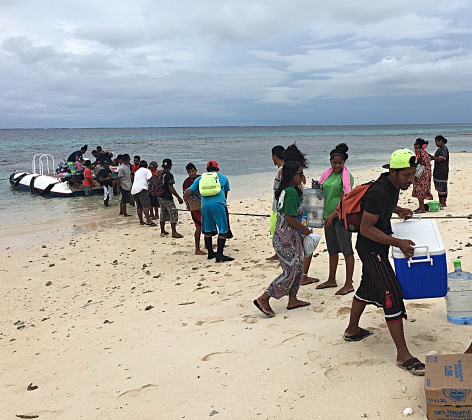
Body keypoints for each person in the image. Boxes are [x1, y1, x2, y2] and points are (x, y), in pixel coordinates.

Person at [343, 149, 425, 376]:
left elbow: (381, 209)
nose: (410, 180)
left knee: (367, 288)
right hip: (371, 250)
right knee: (392, 292)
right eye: (406, 175)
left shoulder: (391, 186)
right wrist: (397, 242)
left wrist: (398, 210)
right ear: (393, 171)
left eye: (412, 174)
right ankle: (403, 354)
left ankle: (352, 330)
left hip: (378, 248)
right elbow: (366, 228)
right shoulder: (379, 191)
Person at [253, 161, 311, 317]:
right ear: (292, 176)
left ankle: (293, 299)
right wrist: (305, 229)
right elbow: (290, 217)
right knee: (290, 271)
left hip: (283, 235)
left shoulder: (285, 190)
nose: (302, 177)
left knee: (298, 267)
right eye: (300, 174)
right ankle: (264, 298)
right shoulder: (291, 193)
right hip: (287, 237)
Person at [315, 143, 355, 295]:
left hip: (341, 217)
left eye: (340, 163)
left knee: (346, 250)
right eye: (334, 162)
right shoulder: (327, 175)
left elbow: (345, 198)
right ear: (330, 162)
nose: (337, 165)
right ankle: (331, 279)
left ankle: (348, 283)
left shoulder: (346, 177)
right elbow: (322, 194)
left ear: (344, 163)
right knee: (332, 249)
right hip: (327, 217)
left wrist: (333, 216)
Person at [184, 160, 234, 262]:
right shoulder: (223, 178)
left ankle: (211, 253)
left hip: (204, 206)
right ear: (217, 169)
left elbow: (188, 192)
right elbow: (225, 195)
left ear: (206, 169)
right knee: (223, 230)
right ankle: (219, 255)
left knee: (207, 230)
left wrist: (187, 202)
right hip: (218, 204)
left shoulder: (200, 179)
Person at [283, 143, 319, 285]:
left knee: (302, 247)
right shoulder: (290, 178)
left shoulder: (287, 173)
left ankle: (301, 276)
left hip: (297, 213)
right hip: (298, 215)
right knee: (307, 244)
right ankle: (302, 276)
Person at [266, 145, 285, 262]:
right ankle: (278, 252)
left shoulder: (282, 170)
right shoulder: (281, 169)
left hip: (279, 205)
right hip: (277, 204)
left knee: (276, 229)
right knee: (276, 229)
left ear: (274, 156)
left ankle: (279, 253)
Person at [182, 163, 205, 255]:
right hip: (194, 208)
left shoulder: (201, 179)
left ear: (196, 170)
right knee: (198, 227)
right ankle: (197, 249)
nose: (191, 173)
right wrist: (187, 205)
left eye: (192, 171)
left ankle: (207, 244)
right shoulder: (186, 182)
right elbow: (185, 196)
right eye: (189, 172)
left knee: (207, 226)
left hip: (204, 206)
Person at [158, 158, 184, 238]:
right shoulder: (169, 175)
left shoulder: (160, 173)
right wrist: (178, 197)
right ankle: (174, 232)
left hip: (160, 196)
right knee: (173, 213)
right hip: (167, 197)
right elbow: (170, 187)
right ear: (170, 166)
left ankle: (162, 230)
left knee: (163, 212)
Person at [131, 160, 155, 226]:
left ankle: (141, 221)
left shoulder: (137, 171)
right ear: (146, 166)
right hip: (142, 189)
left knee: (139, 207)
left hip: (134, 190)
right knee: (145, 205)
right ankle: (148, 221)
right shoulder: (147, 171)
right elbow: (149, 179)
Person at [412, 138, 433, 213]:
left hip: (420, 173)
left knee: (419, 190)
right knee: (423, 189)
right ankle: (421, 206)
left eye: (415, 144)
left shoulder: (417, 152)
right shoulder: (425, 152)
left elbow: (415, 161)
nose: (414, 145)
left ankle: (422, 208)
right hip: (427, 173)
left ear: (418, 145)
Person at [430, 135, 449, 209]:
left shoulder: (443, 149)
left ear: (441, 141)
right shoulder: (440, 149)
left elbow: (440, 159)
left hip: (442, 171)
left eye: (436, 142)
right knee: (439, 187)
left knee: (442, 187)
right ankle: (441, 202)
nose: (436, 144)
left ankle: (443, 203)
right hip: (438, 170)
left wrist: (432, 157)